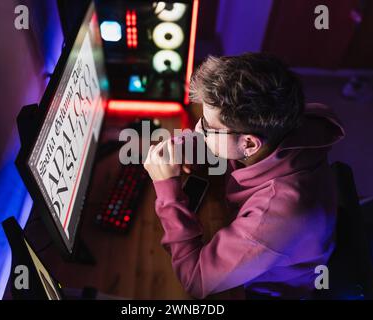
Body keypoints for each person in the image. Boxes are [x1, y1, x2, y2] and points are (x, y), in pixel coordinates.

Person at [143, 53, 345, 299]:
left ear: (249, 144)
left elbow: (194, 280)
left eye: (206, 126)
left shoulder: (275, 214)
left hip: (270, 291)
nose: (197, 130)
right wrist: (188, 146)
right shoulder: (290, 120)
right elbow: (229, 141)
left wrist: (168, 189)